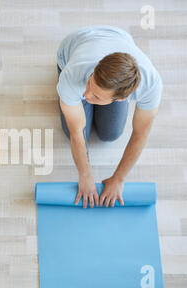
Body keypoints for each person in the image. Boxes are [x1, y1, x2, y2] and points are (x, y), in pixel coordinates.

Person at [56, 25, 162, 209]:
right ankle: (97, 89)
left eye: (96, 96)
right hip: (74, 44)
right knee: (73, 131)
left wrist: (118, 179)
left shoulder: (151, 85)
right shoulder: (72, 77)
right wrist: (85, 175)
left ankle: (100, 93)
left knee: (111, 134)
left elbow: (140, 134)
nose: (87, 95)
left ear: (121, 99)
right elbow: (77, 133)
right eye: (90, 84)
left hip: (121, 39)